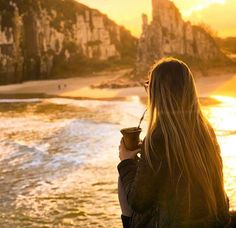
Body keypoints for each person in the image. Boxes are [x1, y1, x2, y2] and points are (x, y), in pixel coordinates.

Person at [117, 57, 231, 228]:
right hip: (215, 221)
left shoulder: (158, 138)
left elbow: (139, 201)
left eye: (148, 86)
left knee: (122, 179)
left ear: (157, 92)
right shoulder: (206, 131)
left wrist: (126, 161)